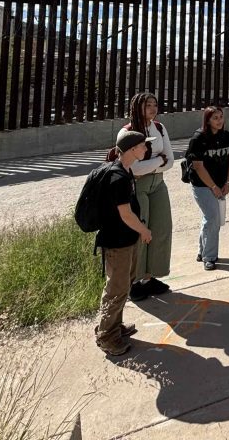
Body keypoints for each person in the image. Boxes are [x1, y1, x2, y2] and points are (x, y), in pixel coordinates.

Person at [95, 130, 153, 357]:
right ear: (131, 150)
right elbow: (125, 214)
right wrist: (144, 230)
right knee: (116, 289)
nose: (146, 149)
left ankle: (114, 327)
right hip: (117, 242)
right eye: (143, 146)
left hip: (127, 240)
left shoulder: (126, 172)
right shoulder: (118, 177)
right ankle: (107, 337)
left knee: (123, 285)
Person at [121, 92, 174, 303]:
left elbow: (170, 161)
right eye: (147, 105)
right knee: (140, 232)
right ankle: (133, 281)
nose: (152, 109)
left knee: (161, 229)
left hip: (158, 184)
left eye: (155, 104)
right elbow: (133, 169)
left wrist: (153, 164)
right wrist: (157, 162)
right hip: (137, 188)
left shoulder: (159, 128)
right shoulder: (127, 132)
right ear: (137, 107)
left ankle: (150, 276)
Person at [185, 106, 229, 270]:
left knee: (212, 219)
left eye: (221, 117)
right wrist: (213, 186)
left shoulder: (226, 135)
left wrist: (227, 183)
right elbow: (198, 166)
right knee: (212, 217)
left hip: (220, 184)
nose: (219, 120)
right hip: (202, 185)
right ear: (207, 120)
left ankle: (202, 251)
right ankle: (210, 257)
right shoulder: (199, 138)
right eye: (215, 118)